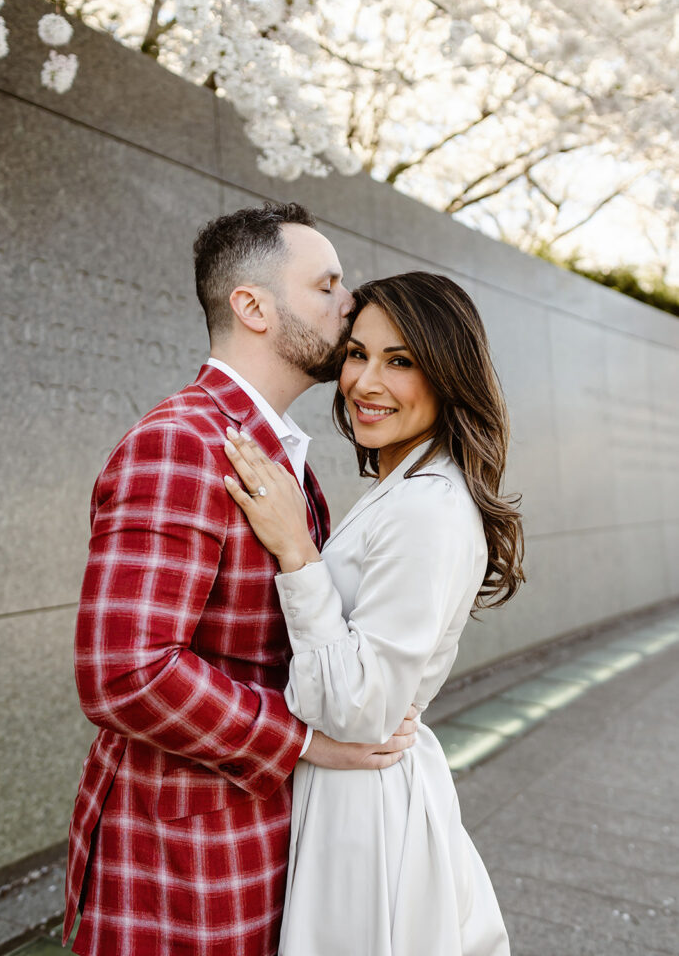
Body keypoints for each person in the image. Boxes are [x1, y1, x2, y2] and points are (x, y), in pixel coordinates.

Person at [63, 203, 419, 956]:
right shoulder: (181, 444)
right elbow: (123, 673)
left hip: (254, 837)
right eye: (326, 286)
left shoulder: (278, 452)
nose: (348, 303)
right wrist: (306, 741)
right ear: (252, 307)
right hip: (181, 862)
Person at [224, 270, 525, 956]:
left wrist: (296, 551)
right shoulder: (407, 485)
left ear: (449, 375)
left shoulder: (428, 506)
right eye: (357, 354)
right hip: (357, 788)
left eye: (401, 362)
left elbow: (358, 708)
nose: (365, 382)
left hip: (361, 806)